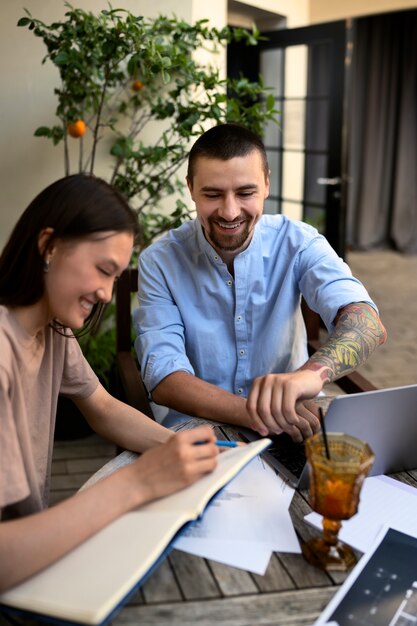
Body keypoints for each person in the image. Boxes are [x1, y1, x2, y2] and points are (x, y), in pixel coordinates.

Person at [0, 174, 218, 593]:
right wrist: (138, 483)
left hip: (38, 559)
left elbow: (100, 406)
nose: (105, 293)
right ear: (49, 246)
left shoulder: (49, 330)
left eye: (115, 277)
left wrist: (176, 449)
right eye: (103, 270)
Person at [134, 123, 387, 441]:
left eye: (245, 193)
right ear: (190, 187)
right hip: (198, 432)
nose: (229, 211)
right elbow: (165, 379)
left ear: (267, 184)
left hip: (291, 425)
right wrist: (261, 414)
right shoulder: (159, 261)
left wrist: (311, 375)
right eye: (212, 194)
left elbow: (366, 322)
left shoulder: (299, 242)